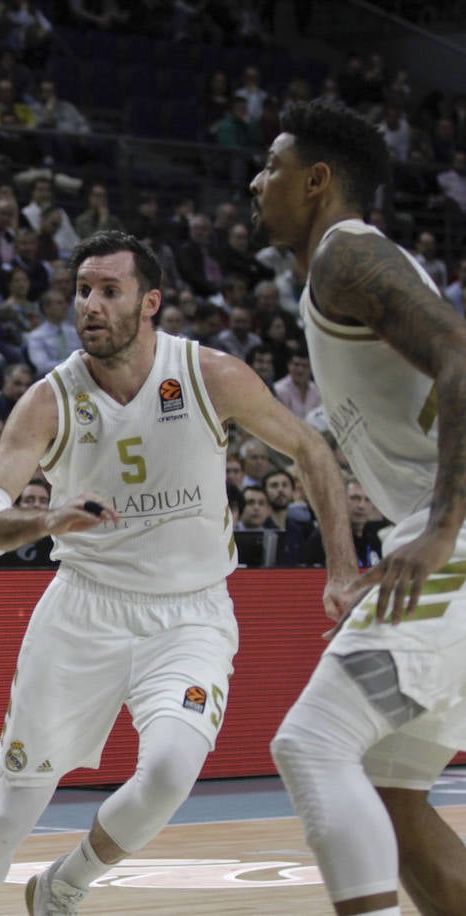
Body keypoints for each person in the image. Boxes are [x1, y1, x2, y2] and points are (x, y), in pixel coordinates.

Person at [0, 231, 357, 916]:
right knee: (12, 812)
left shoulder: (208, 374)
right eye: (81, 291)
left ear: (150, 302)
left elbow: (311, 447)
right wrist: (44, 519)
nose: (90, 305)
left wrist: (342, 566)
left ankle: (65, 884)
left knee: (168, 772)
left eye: (109, 290)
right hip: (83, 612)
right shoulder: (51, 399)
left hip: (191, 613)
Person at [252, 98, 466, 916]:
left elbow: (460, 357)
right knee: (391, 795)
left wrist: (441, 529)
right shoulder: (335, 276)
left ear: (316, 181)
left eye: (271, 167)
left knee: (313, 743)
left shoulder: (347, 254)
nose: (254, 181)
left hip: (458, 531)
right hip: (438, 529)